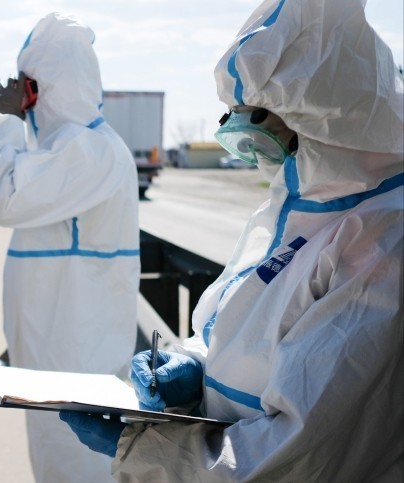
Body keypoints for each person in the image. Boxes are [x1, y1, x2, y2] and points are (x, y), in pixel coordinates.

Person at [60, 0, 403, 480]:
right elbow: (250, 338)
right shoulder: (305, 214)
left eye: (258, 133)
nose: (259, 160)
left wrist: (145, 449)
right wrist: (194, 364)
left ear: (327, 122)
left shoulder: (384, 242)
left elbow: (299, 455)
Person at [0, 13, 140, 483]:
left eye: (24, 85)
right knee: (55, 463)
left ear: (41, 87)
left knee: (75, 468)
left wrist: (1, 120)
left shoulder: (90, 151)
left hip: (76, 367)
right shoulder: (67, 149)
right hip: (58, 360)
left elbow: (1, 198)